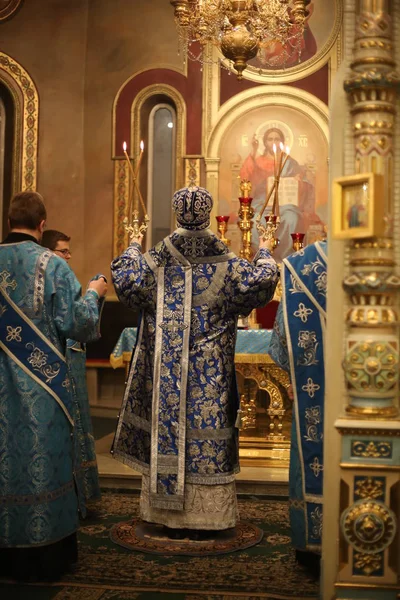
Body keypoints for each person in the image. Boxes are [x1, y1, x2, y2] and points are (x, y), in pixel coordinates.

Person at [111, 186, 278, 536]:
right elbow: (261, 283)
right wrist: (264, 248)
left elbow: (126, 281)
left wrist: (132, 244)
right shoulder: (227, 263)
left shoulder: (156, 260)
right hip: (209, 374)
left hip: (166, 376)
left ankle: (164, 515)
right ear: (206, 214)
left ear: (177, 215)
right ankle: (208, 519)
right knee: (206, 432)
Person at [0, 192, 107, 580]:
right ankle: (44, 555)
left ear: (9, 220)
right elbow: (77, 325)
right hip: (41, 393)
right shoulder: (53, 266)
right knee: (40, 464)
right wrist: (95, 293)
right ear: (42, 225)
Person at [268, 239, 327, 574]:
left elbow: (279, 343)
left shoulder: (298, 266)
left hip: (312, 386)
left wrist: (295, 374)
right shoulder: (378, 261)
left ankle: (311, 545)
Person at [41, 229, 102, 507]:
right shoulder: (57, 277)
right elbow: (79, 323)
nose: (69, 256)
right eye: (63, 251)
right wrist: (93, 294)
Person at [240, 127, 318, 260]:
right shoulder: (258, 161)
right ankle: (260, 257)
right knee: (254, 220)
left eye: (277, 139)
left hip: (286, 203)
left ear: (282, 141)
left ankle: (287, 259)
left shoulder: (289, 161)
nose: (273, 142)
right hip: (263, 202)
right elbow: (245, 176)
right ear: (265, 142)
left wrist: (299, 181)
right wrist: (253, 151)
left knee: (292, 218)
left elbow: (306, 183)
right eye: (270, 139)